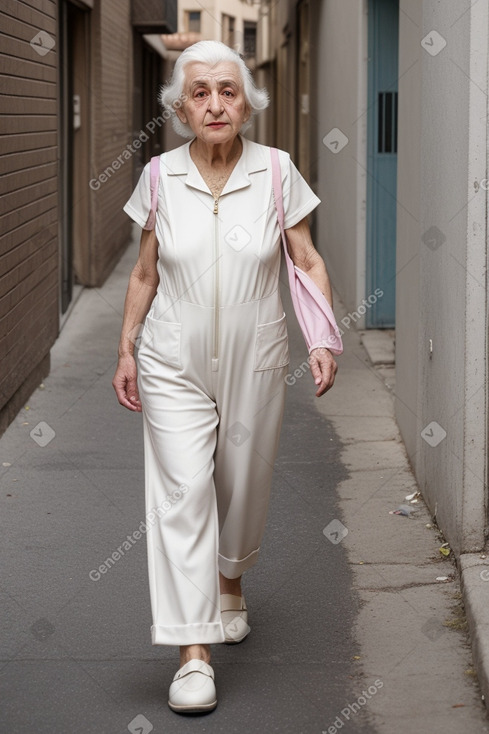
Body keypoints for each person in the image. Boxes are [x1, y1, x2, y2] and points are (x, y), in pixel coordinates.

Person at [112, 40, 338, 714]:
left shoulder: (275, 172)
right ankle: (191, 653)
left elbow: (306, 258)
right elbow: (146, 273)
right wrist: (127, 349)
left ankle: (230, 579)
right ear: (179, 107)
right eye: (200, 92)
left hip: (256, 352)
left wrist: (322, 334)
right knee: (182, 493)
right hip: (172, 356)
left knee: (241, 485)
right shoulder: (158, 176)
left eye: (228, 91)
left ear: (247, 102)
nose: (214, 103)